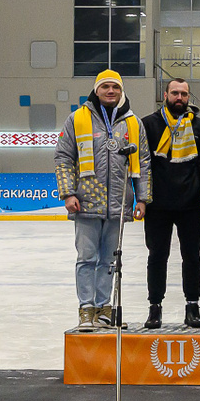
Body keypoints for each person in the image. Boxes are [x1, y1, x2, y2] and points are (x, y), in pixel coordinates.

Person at [55, 70, 151, 330]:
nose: (111, 91)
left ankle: (104, 308)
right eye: (105, 86)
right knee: (86, 258)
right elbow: (63, 157)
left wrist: (142, 198)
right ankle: (86, 309)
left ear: (121, 91)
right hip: (86, 202)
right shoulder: (77, 119)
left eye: (115, 87)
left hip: (118, 204)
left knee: (109, 261)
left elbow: (143, 162)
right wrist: (68, 193)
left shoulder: (133, 123)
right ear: (96, 90)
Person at [140, 77, 200, 328]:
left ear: (189, 97)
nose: (179, 98)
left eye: (184, 94)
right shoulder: (148, 124)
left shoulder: (198, 126)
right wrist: (142, 198)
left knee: (192, 257)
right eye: (175, 93)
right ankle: (155, 307)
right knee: (157, 256)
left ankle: (193, 306)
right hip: (158, 205)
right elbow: (142, 164)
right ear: (165, 95)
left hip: (191, 204)